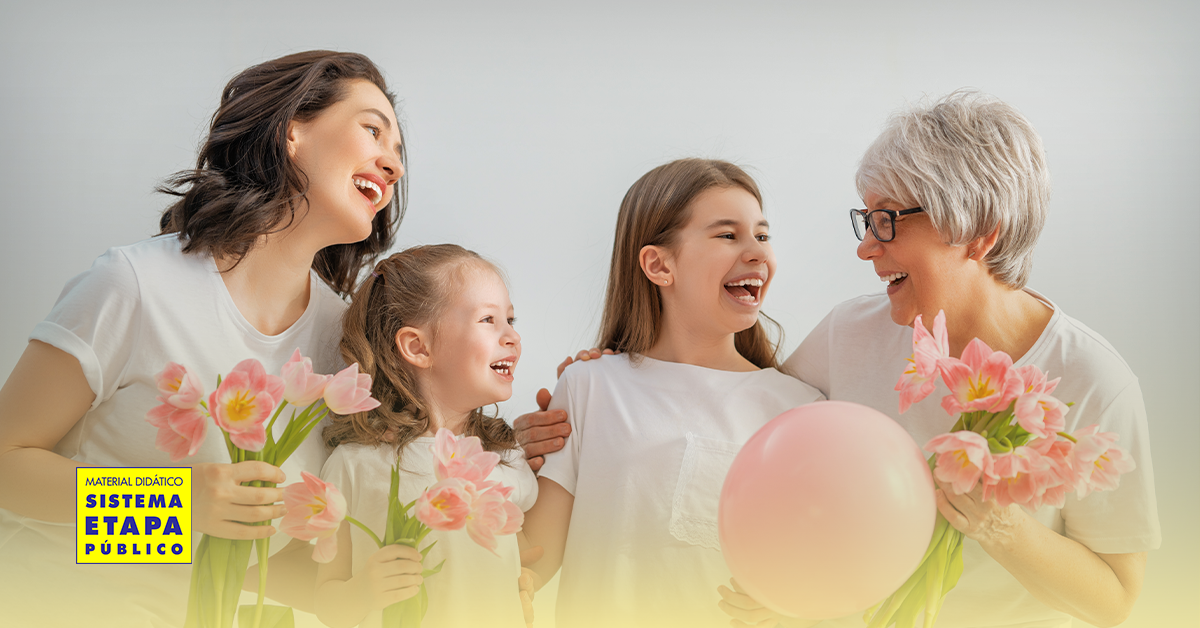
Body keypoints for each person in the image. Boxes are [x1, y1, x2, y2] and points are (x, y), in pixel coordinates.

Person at [520, 92, 1161, 628]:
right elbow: (730, 424)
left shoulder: (1093, 382)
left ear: (978, 230)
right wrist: (600, 385)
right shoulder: (850, 333)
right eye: (867, 219)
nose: (865, 249)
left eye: (888, 222)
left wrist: (1001, 528)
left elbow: (1117, 599)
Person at [0, 50, 407, 627]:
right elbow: (7, 465)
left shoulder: (341, 344)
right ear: (292, 132)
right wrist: (175, 507)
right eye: (373, 129)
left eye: (397, 153)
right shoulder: (135, 285)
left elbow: (247, 555)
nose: (391, 163)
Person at [520, 158, 824, 628]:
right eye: (728, 235)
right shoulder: (589, 386)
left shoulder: (800, 410)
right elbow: (529, 563)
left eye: (762, 235)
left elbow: (813, 573)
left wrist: (797, 603)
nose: (758, 252)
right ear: (659, 264)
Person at [316, 244, 538, 628]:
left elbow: (515, 557)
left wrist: (523, 585)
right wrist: (363, 591)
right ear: (418, 347)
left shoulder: (503, 457)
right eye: (488, 319)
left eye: (511, 320)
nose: (512, 337)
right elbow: (327, 602)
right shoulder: (356, 465)